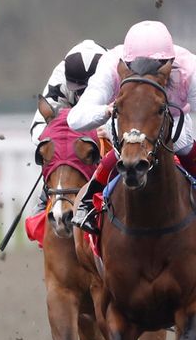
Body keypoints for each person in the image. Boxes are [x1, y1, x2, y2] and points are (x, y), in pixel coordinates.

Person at [69, 20, 196, 234]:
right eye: (137, 66)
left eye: (156, 65)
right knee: (126, 146)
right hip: (126, 125)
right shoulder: (111, 65)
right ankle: (88, 203)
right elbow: (75, 119)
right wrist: (106, 111)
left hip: (171, 122)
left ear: (170, 62)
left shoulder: (189, 68)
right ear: (126, 64)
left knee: (183, 143)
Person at [29, 40, 106, 214]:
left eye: (89, 90)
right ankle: (42, 213)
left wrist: (108, 131)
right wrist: (66, 137)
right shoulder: (61, 77)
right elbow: (38, 129)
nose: (84, 97)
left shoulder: (115, 73)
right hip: (73, 153)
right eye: (79, 90)